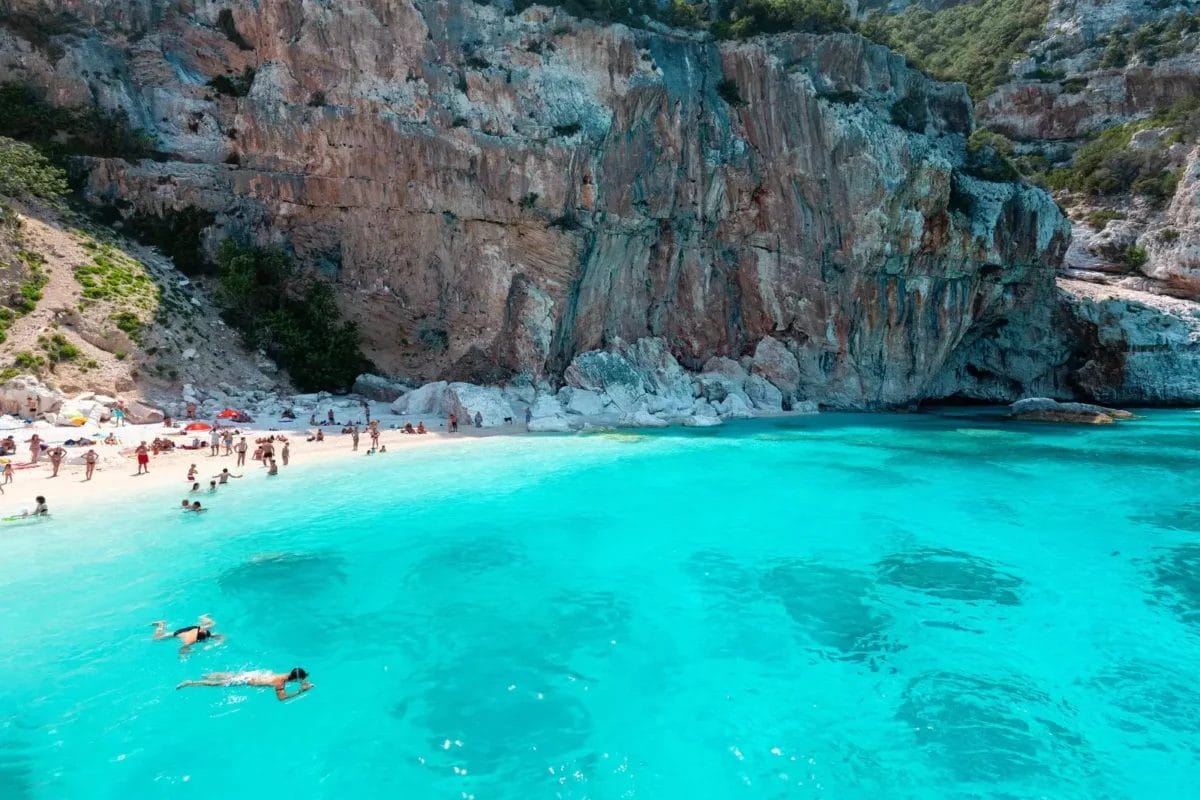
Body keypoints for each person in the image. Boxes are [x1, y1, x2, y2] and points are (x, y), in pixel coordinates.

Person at [177, 667, 313, 701]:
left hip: (250, 674)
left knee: (228, 675)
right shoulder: (280, 682)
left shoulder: (287, 674)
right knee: (216, 684)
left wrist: (304, 682)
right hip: (246, 681)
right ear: (295, 679)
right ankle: (191, 683)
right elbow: (281, 698)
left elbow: (297, 676)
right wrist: (301, 691)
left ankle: (206, 674)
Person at [151, 615, 222, 655]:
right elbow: (181, 651)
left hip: (194, 629)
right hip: (179, 632)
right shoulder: (190, 641)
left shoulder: (204, 633)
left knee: (211, 624)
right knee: (156, 638)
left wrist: (220, 641)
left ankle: (203, 617)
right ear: (198, 640)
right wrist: (190, 652)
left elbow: (218, 636)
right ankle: (161, 624)